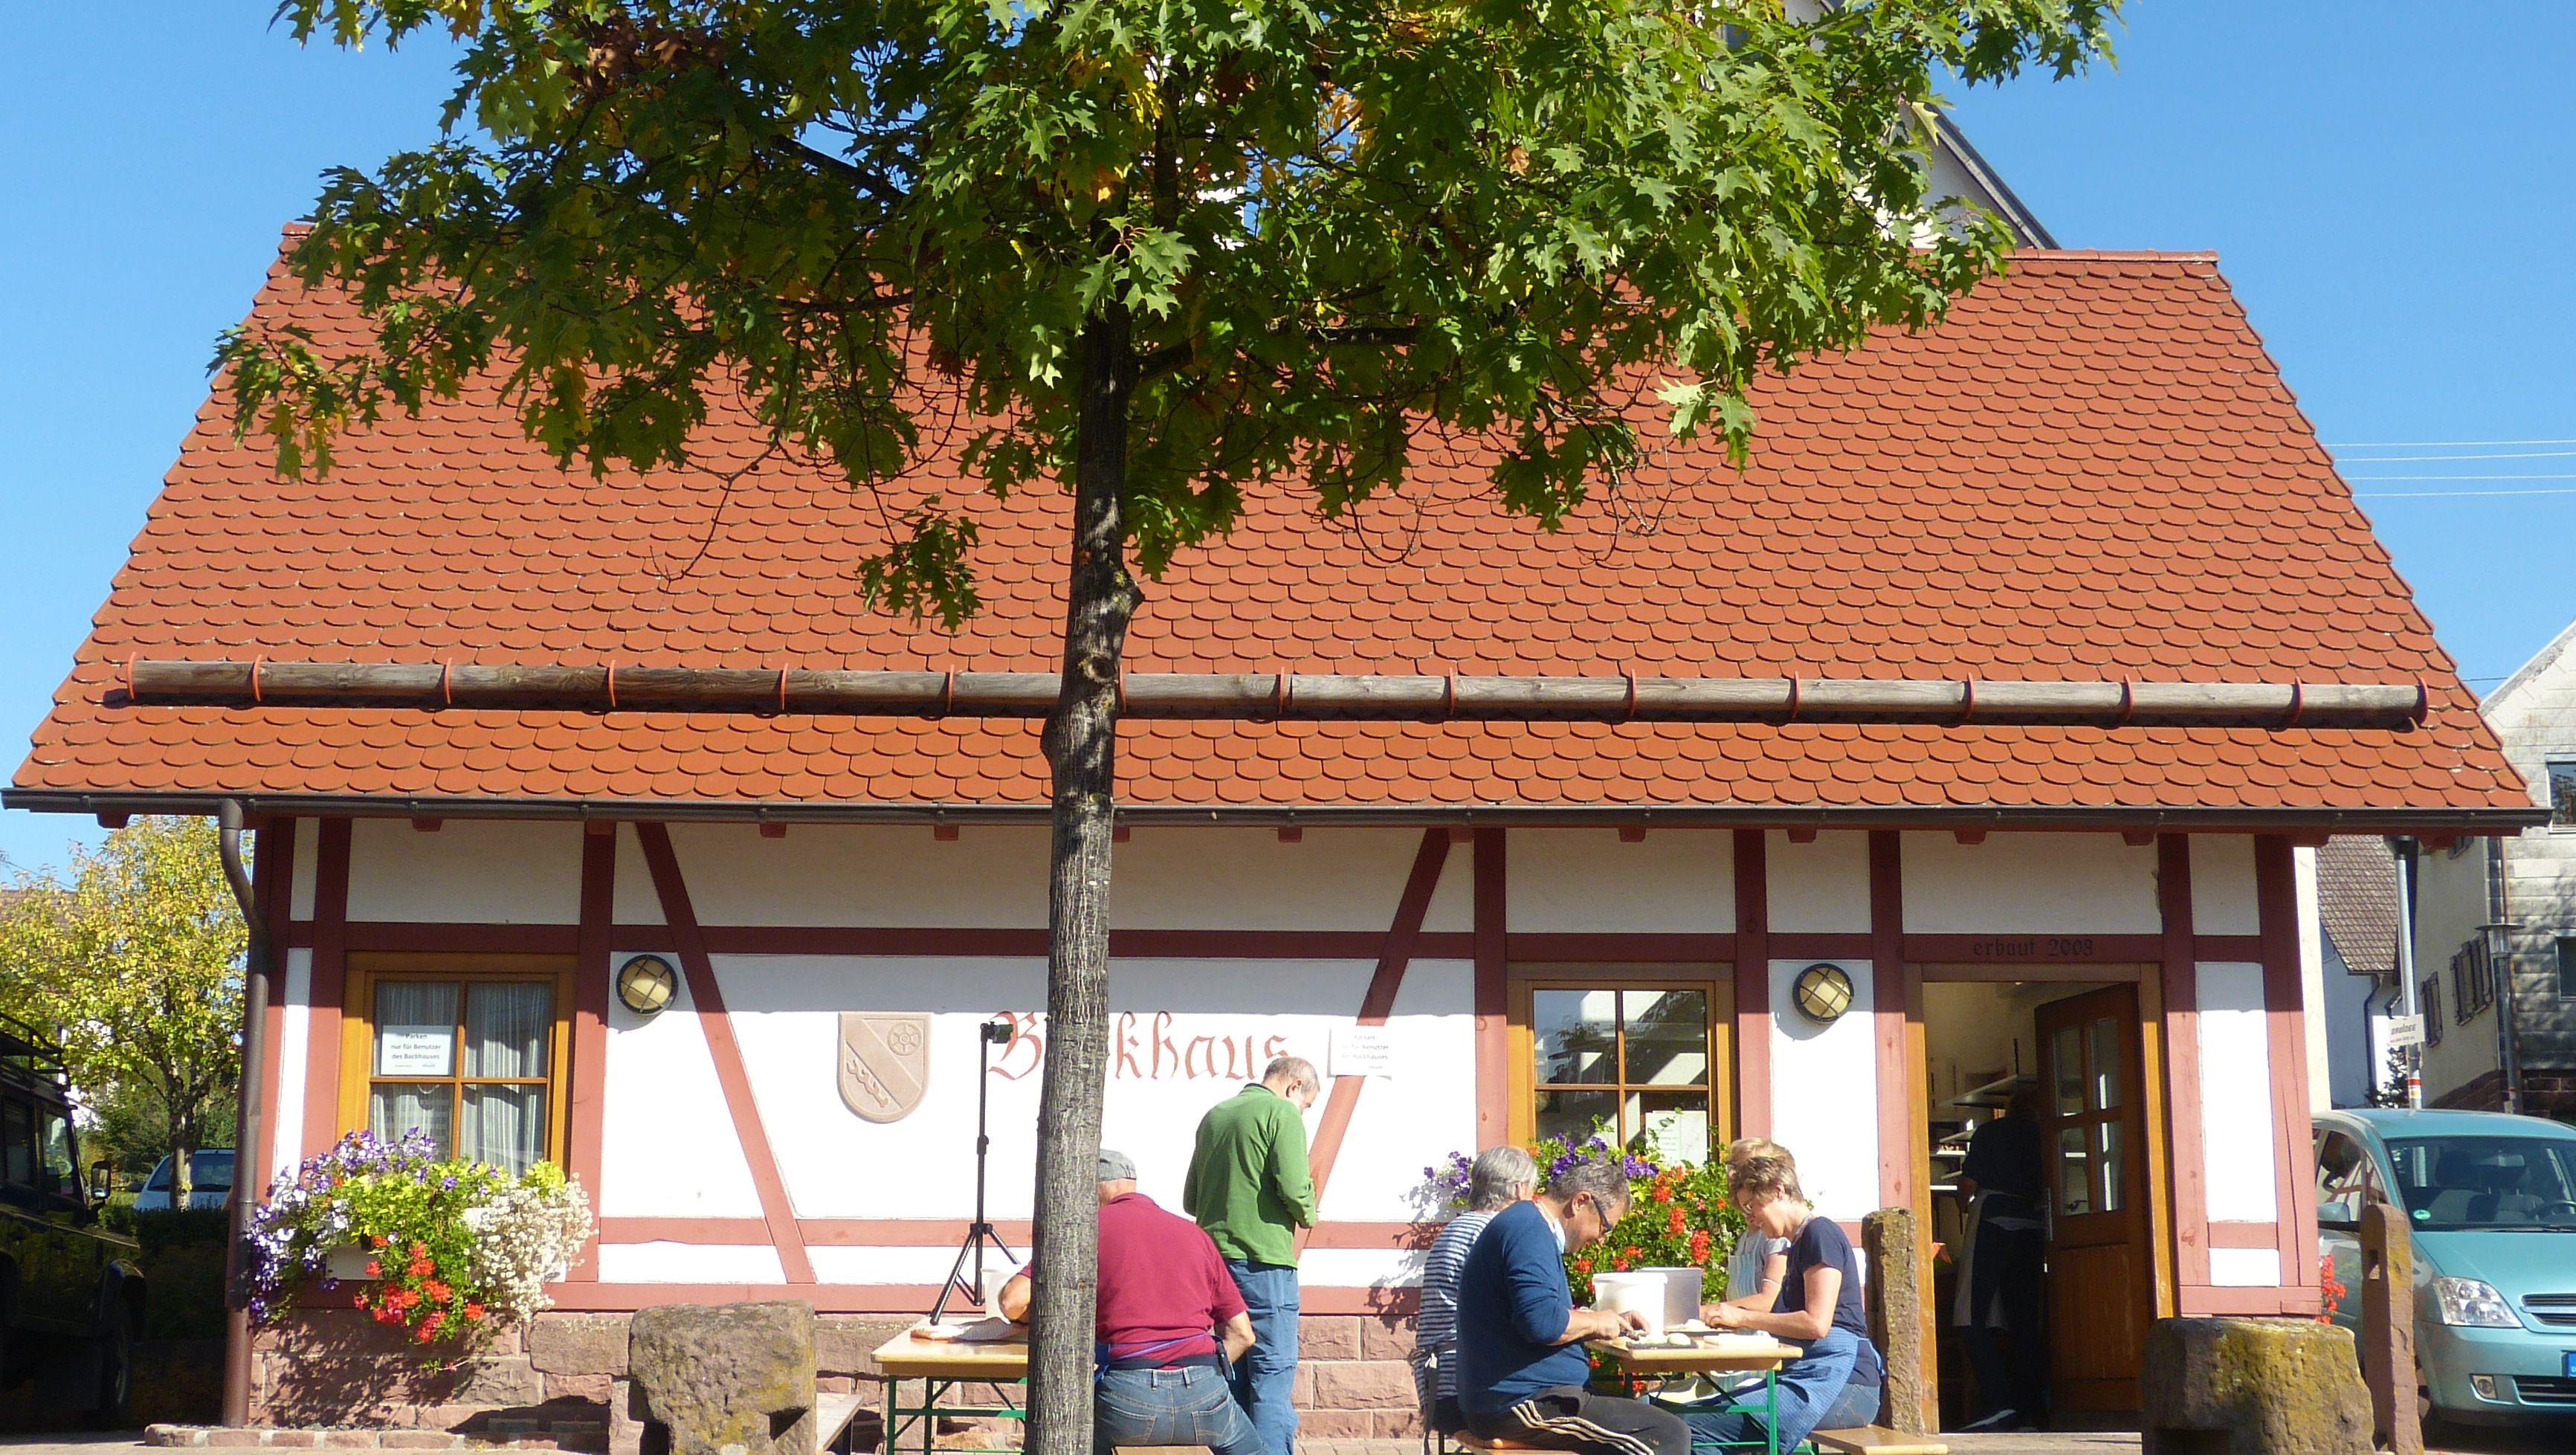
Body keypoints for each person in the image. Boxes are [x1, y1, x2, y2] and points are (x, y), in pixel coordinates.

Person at [1000, 1149, 1261, 1455]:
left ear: (1093, 1187)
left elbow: (1012, 1301)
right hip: (1204, 1391)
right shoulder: (1195, 1234)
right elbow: (1243, 1334)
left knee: (1074, 1439)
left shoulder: (1084, 1232)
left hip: (1127, 1394)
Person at [1453, 1158, 1690, 1455]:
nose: (1602, 1240)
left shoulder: (1528, 1226)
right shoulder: (1528, 1230)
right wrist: (1595, 1323)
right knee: (1665, 1434)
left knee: (1647, 1417)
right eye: (1605, 1227)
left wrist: (1601, 1321)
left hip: (1526, 1398)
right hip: (1520, 1405)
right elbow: (1542, 1324)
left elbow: (1537, 1317)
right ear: (1581, 1202)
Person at [1688, 1154, 1885, 1453]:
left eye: (1752, 1207)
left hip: (1847, 1387)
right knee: (1692, 1418)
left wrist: (1742, 1319)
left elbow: (1816, 1324)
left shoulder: (1821, 1234)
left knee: (1691, 1427)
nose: (1750, 1218)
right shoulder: (1798, 1245)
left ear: (1779, 1190)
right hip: (1812, 1377)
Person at [1183, 1055, 1320, 1455]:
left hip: (1212, 1264)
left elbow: (1191, 1199)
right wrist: (1309, 1211)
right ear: (1294, 1086)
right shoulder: (1282, 1113)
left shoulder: (1215, 1115)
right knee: (1271, 1380)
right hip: (1265, 1263)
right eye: (1307, 1105)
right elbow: (1296, 1190)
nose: (1303, 1113)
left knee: (1228, 1374)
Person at [1412, 1145, 1539, 1433]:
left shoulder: (1457, 1228)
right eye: (1533, 1190)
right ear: (1519, 1190)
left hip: (1438, 1389)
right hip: (1473, 1392)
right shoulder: (1495, 1233)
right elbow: (1529, 1314)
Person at [1954, 1087, 2047, 1433]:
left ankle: (1996, 1401)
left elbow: (1968, 1184)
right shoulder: (2044, 1136)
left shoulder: (1992, 1131)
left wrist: (1963, 1207)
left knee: (1970, 1315)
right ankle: (2030, 1410)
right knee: (2024, 1323)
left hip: (1993, 1219)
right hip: (2034, 1224)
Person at [1717, 1138, 1792, 1309]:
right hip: (1743, 1334)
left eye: (1740, 1168)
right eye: (1731, 1167)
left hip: (1767, 1335)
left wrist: (1701, 1312)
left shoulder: (1775, 1235)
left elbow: (1769, 1301)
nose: (1731, 1175)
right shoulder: (1746, 1236)